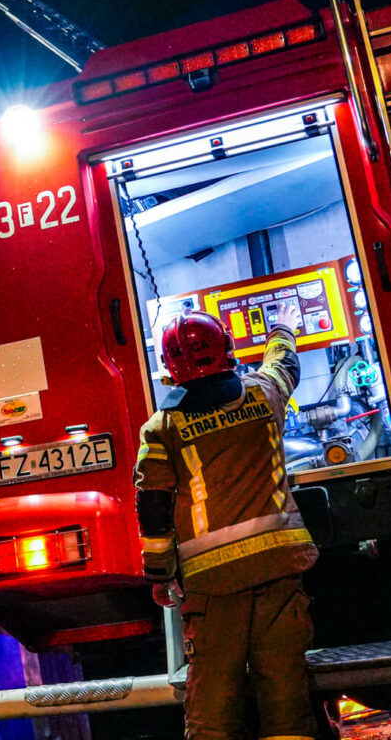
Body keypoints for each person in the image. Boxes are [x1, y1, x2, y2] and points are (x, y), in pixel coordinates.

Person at [135, 301, 319, 740]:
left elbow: (153, 508)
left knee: (213, 709)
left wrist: (161, 577)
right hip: (279, 569)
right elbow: (284, 363)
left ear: (170, 368)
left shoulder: (161, 429)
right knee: (286, 696)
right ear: (228, 348)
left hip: (212, 586)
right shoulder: (263, 392)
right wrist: (282, 326)